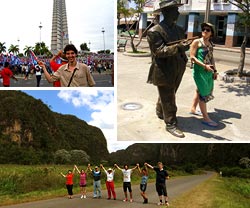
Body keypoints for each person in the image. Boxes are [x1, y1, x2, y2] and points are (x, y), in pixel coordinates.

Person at [147, 0, 193, 138]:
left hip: (178, 67)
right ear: (166, 12)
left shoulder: (179, 29)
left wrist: (184, 47)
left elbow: (180, 46)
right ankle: (171, 123)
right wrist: (179, 47)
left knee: (170, 93)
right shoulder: (154, 31)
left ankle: (160, 110)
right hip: (163, 69)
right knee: (169, 98)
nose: (178, 12)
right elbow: (159, 52)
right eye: (175, 10)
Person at [190, 22, 218, 127]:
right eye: (204, 29)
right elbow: (192, 57)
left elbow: (212, 58)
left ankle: (193, 109)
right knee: (203, 94)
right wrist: (204, 66)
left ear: (211, 33)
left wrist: (215, 71)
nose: (205, 31)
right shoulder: (197, 42)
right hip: (200, 71)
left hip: (208, 71)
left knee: (199, 90)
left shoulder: (210, 43)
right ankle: (206, 118)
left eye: (208, 30)